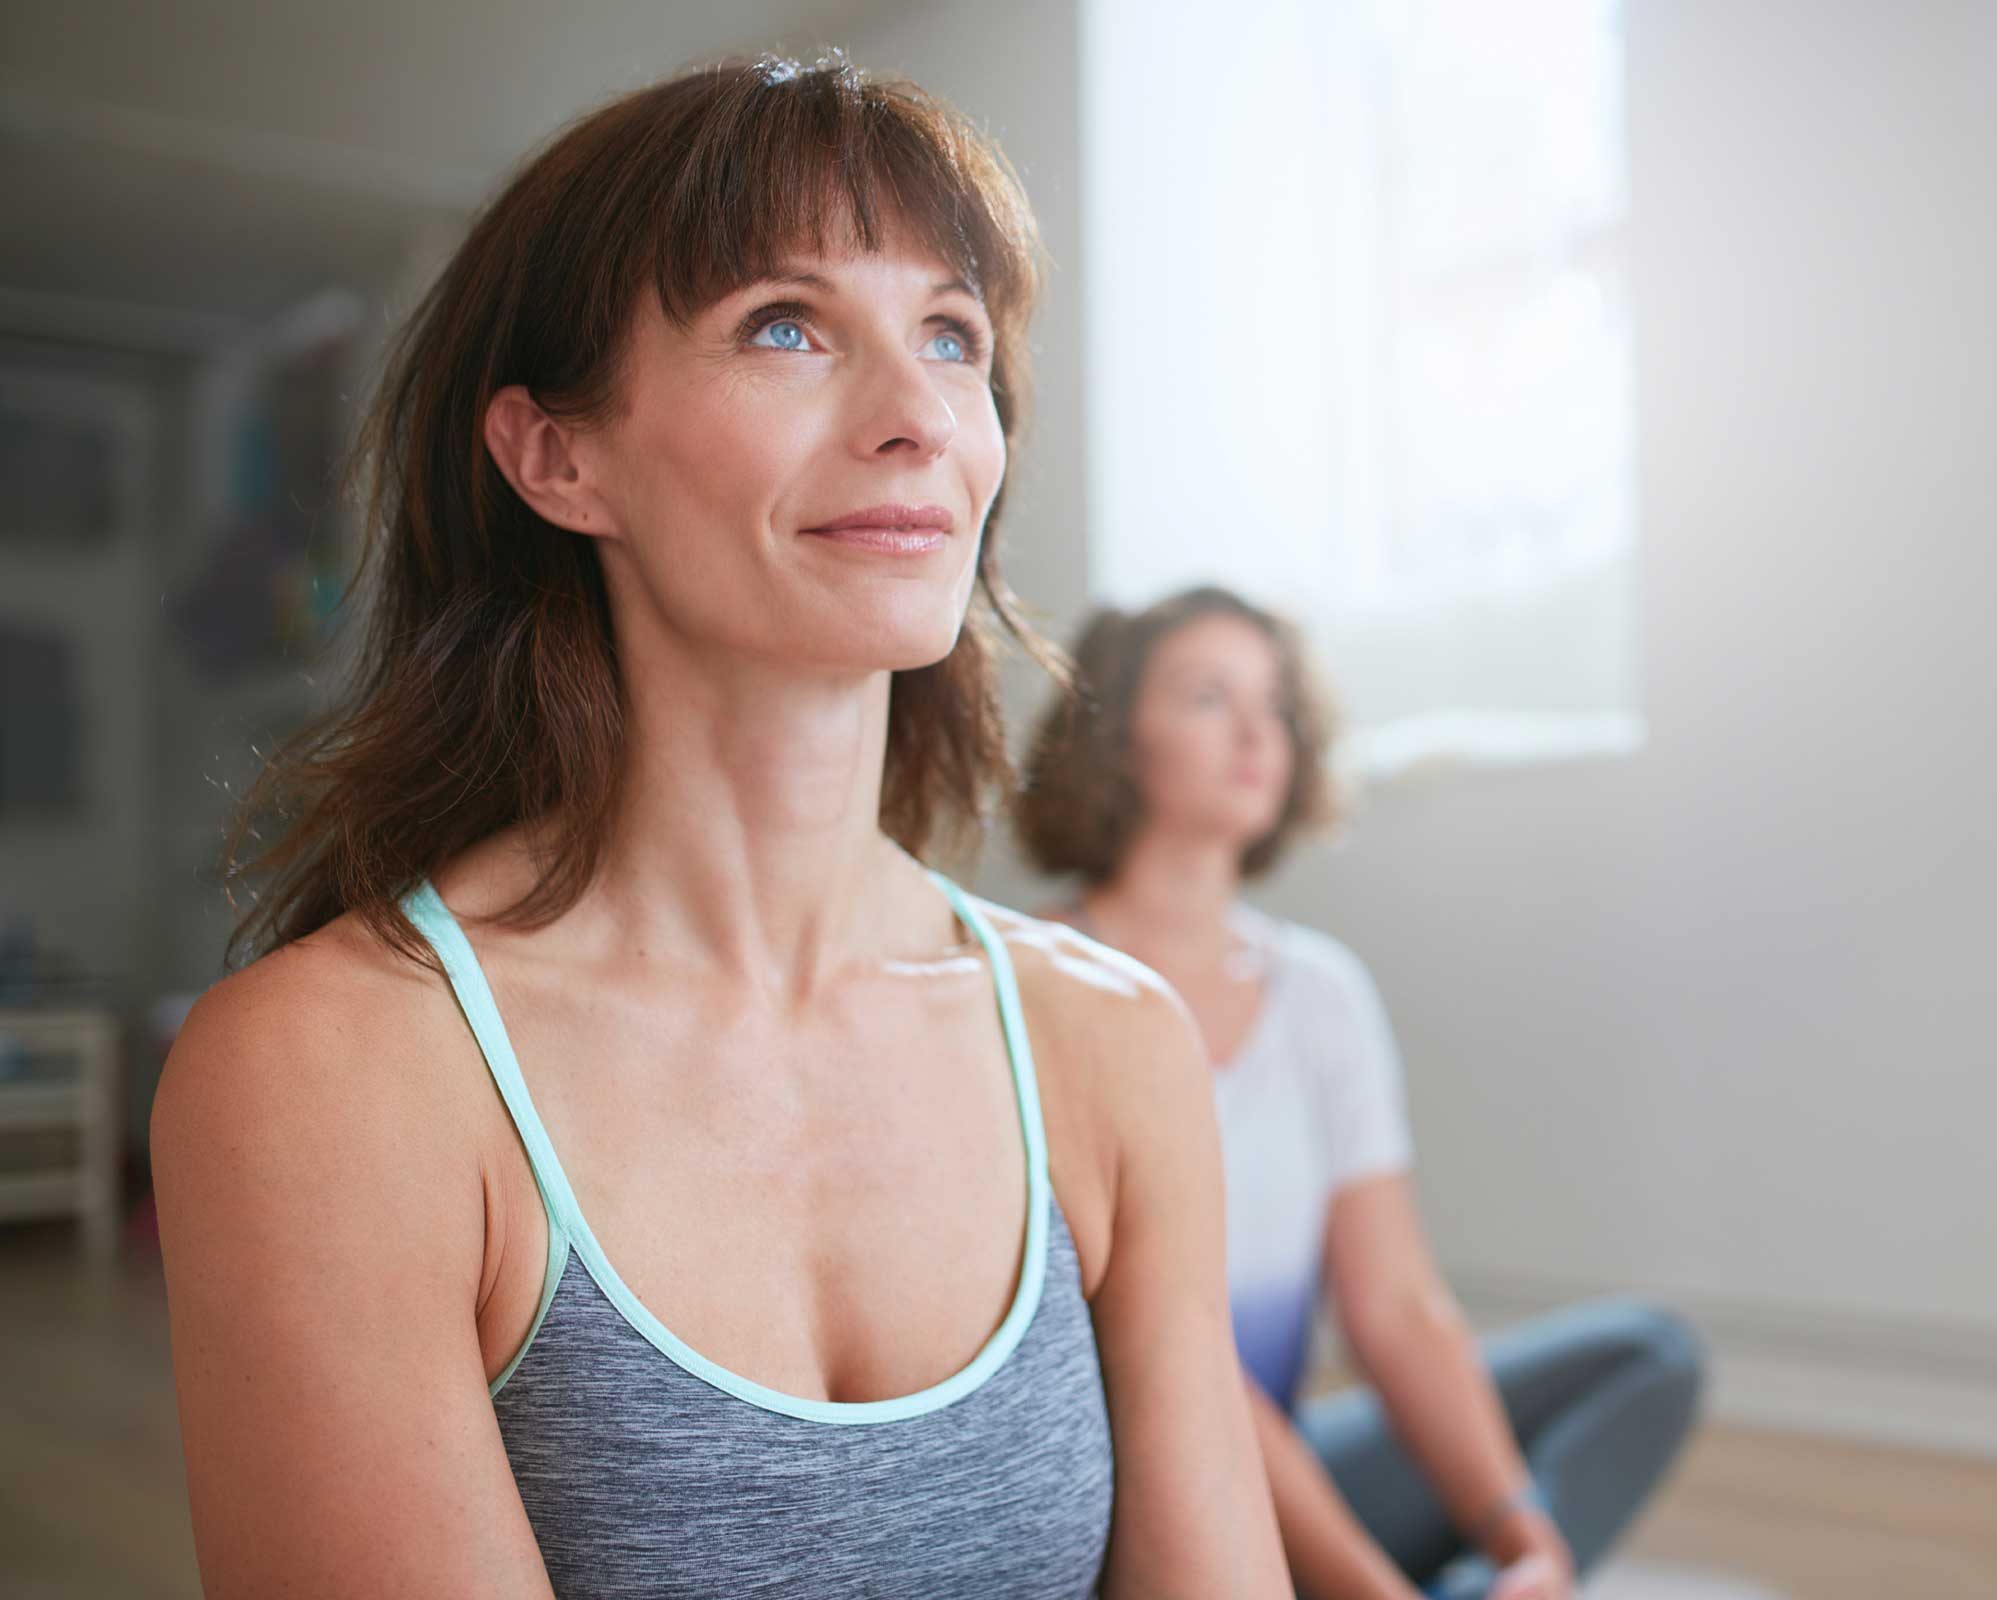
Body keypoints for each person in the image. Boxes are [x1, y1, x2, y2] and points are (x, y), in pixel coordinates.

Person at [151, 56, 1288, 1599]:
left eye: (951, 336)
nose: (917, 418)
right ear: (560, 455)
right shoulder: (332, 1073)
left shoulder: (1110, 1046)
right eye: (786, 326)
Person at [1015, 587, 1704, 1600]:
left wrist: (1521, 1535)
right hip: (1124, 1505)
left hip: (1283, 1475)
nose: (1259, 732)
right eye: (1210, 696)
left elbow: (1396, 1304)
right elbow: (1179, 1368)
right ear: (1113, 734)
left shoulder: (1320, 993)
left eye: (1279, 705)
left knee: (1649, 1355)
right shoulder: (1033, 981)